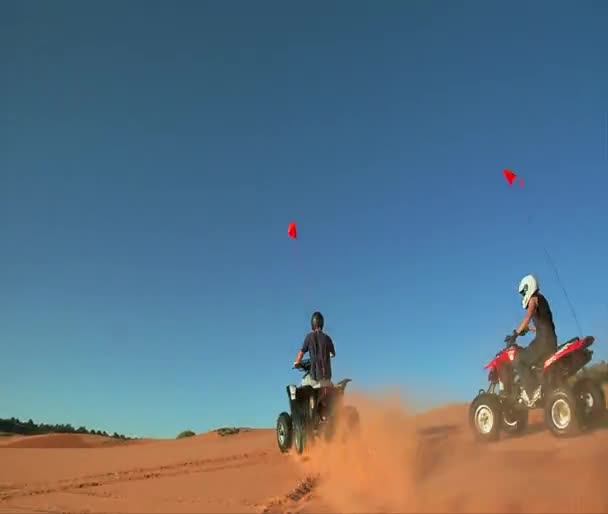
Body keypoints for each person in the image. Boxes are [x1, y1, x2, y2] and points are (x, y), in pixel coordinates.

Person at [507, 274, 558, 406]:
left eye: (523, 291)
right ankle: (540, 386)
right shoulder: (542, 299)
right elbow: (543, 324)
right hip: (551, 341)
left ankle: (532, 391)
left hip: (543, 343)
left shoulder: (533, 299)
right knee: (531, 360)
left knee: (519, 360)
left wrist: (515, 335)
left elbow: (528, 316)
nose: (523, 295)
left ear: (528, 287)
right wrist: (529, 329)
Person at [293, 311, 335, 389]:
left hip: (314, 379)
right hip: (327, 380)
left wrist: (297, 363)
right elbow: (333, 354)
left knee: (302, 384)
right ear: (322, 324)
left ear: (312, 324)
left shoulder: (309, 337)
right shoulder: (327, 338)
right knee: (332, 388)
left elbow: (301, 353)